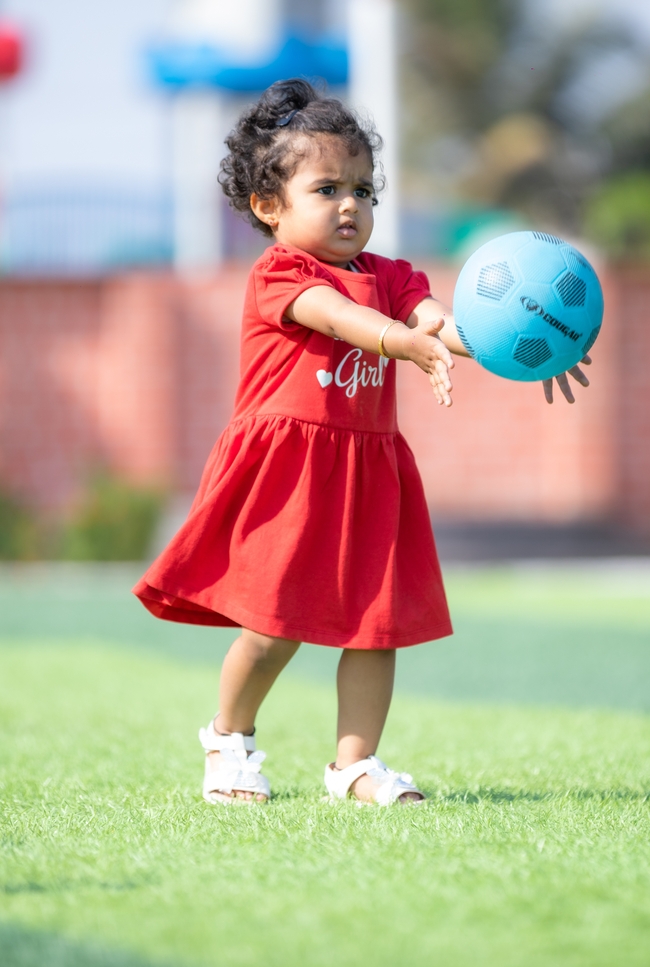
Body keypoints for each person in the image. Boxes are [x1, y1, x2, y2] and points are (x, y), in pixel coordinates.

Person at [133, 79, 590, 806]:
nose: (352, 204)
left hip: (368, 470)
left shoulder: (392, 276)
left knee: (377, 625)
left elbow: (442, 324)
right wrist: (398, 340)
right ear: (268, 207)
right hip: (290, 472)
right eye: (327, 188)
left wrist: (528, 343)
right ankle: (229, 738)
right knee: (273, 626)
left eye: (364, 189)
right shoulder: (280, 273)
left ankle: (356, 765)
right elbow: (334, 316)